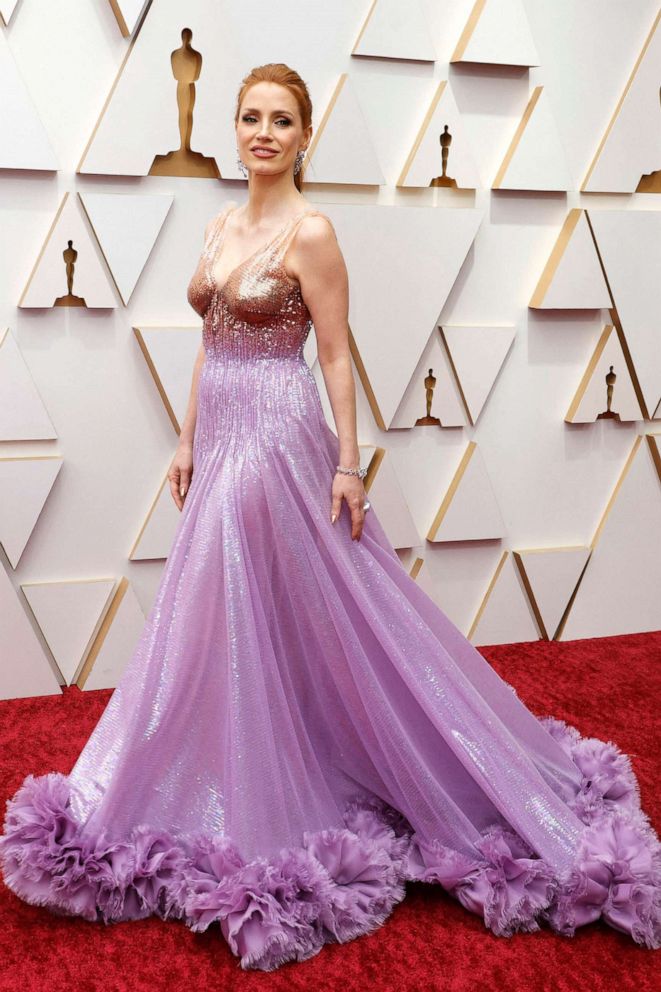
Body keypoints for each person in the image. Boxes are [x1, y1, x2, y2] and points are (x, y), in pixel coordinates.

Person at [1, 63, 659, 973]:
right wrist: (185, 441)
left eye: (281, 120)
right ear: (233, 129)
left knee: (268, 596)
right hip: (223, 426)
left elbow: (339, 358)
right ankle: (230, 767)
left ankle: (304, 785)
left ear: (306, 135)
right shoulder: (222, 225)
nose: (263, 132)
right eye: (250, 117)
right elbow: (207, 345)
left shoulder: (312, 232)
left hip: (278, 434)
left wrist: (349, 463)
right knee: (226, 603)